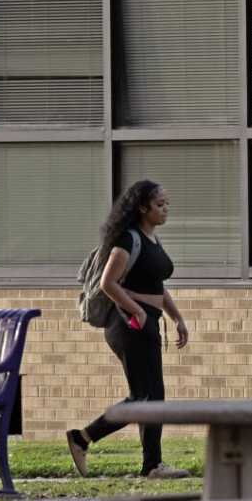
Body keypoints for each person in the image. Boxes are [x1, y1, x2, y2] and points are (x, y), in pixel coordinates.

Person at [65, 180, 191, 480]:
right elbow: (108, 284)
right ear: (142, 207)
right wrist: (136, 311)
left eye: (167, 204)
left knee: (152, 396)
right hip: (128, 324)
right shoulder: (127, 240)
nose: (165, 210)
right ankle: (84, 437)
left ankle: (152, 465)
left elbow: (157, 287)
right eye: (159, 205)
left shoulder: (152, 241)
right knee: (144, 397)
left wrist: (177, 318)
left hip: (147, 320)